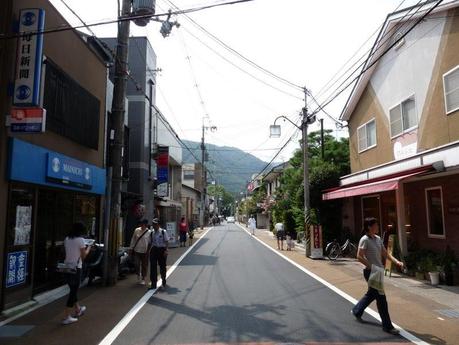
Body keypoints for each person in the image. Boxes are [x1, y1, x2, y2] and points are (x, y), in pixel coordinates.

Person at [351, 217, 404, 335]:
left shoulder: (378, 239)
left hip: (378, 271)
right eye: (376, 225)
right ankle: (387, 326)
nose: (378, 227)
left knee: (371, 294)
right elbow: (359, 256)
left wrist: (397, 262)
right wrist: (370, 266)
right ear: (369, 227)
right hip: (371, 272)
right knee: (381, 299)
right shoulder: (364, 239)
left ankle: (357, 310)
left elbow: (385, 253)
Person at [62, 222, 92, 325]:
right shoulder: (81, 240)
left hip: (67, 268)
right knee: (73, 292)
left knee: (72, 289)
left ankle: (78, 309)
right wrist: (88, 248)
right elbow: (83, 257)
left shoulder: (67, 239)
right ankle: (67, 317)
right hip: (76, 268)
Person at [148, 218, 169, 290]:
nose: (154, 225)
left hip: (162, 250)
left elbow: (166, 241)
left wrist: (166, 250)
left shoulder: (163, 232)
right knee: (153, 266)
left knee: (162, 266)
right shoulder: (151, 232)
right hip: (154, 250)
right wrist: (148, 251)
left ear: (158, 225)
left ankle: (163, 279)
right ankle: (153, 284)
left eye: (156, 224)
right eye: (153, 224)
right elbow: (150, 243)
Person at [129, 219, 151, 285]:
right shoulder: (137, 230)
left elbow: (150, 242)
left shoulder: (149, 232)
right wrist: (131, 248)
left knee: (144, 265)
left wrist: (149, 250)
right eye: (141, 224)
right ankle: (138, 274)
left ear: (146, 225)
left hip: (145, 251)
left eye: (143, 224)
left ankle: (143, 278)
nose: (142, 226)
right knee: (136, 264)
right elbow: (133, 239)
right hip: (137, 250)